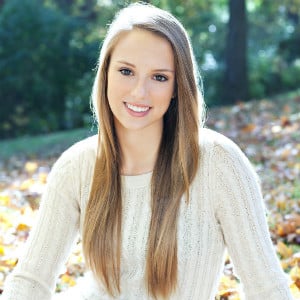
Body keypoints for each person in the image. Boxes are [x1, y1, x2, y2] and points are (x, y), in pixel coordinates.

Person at [2, 2, 293, 300]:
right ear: (105, 74)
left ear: (178, 86)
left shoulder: (219, 163)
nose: (139, 92)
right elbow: (29, 282)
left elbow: (267, 288)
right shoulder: (77, 166)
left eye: (159, 77)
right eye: (126, 71)